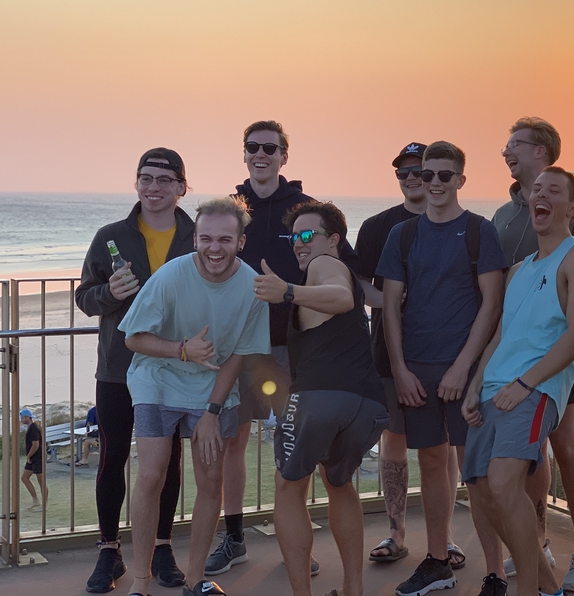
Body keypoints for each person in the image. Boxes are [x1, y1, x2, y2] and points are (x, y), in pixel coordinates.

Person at [213, 120, 359, 577]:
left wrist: (397, 302)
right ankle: (233, 537)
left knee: (300, 446)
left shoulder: (304, 211)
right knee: (231, 442)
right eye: (253, 147)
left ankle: (297, 546)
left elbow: (347, 270)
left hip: (294, 349)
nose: (261, 154)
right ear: (244, 153)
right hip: (237, 346)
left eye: (270, 148)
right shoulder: (230, 210)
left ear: (284, 155)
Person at [119, 196, 270, 596]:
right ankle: (140, 582)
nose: (213, 248)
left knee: (211, 478)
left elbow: (238, 353)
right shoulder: (170, 277)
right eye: (205, 238)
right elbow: (134, 338)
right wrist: (181, 349)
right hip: (158, 379)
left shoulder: (251, 286)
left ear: (240, 241)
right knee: (151, 474)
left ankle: (197, 578)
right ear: (195, 239)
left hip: (212, 388)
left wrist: (211, 411)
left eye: (224, 239)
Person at [377, 141, 508, 596]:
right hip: (416, 369)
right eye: (425, 174)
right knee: (431, 463)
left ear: (460, 180)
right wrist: (399, 369)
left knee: (478, 474)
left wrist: (463, 369)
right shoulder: (403, 236)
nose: (431, 182)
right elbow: (389, 307)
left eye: (443, 175)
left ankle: (496, 572)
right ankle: (437, 562)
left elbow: (492, 306)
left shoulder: (479, 231)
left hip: (466, 374)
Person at [463, 168, 574, 596]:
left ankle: (528, 589)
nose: (541, 196)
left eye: (554, 191)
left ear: (573, 208)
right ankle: (548, 588)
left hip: (534, 390)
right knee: (484, 492)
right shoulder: (520, 268)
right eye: (537, 190)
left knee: (505, 483)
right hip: (493, 390)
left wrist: (525, 384)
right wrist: (475, 385)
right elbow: (502, 335)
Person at [492, 118, 574, 592]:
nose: (505, 151)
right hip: (513, 363)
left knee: (565, 444)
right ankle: (537, 541)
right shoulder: (504, 215)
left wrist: (569, 338)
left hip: (559, 358)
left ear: (540, 151)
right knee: (529, 453)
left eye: (514, 144)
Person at [255, 200, 390, 596]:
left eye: (307, 235)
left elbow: (343, 298)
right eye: (294, 236)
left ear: (333, 240)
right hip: (367, 405)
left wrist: (287, 291)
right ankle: (353, 590)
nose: (299, 243)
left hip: (318, 400)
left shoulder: (324, 264)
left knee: (288, 487)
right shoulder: (323, 271)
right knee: (339, 481)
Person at [76, 147, 195, 593]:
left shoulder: (197, 234)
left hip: (176, 366)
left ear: (182, 186)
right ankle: (109, 551)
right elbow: (85, 299)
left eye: (165, 179)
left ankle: (161, 546)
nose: (154, 187)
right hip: (119, 368)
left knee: (168, 463)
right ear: (136, 183)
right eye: (146, 178)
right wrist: (109, 291)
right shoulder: (111, 235)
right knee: (112, 459)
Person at [354, 142, 465, 569]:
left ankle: (447, 537)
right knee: (394, 440)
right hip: (389, 352)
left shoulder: (460, 227)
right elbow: (362, 286)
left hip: (447, 357)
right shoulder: (379, 226)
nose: (415, 178)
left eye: (424, 171)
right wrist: (395, 300)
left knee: (446, 448)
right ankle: (396, 532)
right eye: (405, 172)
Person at [20, 408, 48, 511]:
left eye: (23, 418)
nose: (21, 420)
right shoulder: (32, 427)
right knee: (24, 478)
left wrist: (28, 456)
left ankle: (44, 505)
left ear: (28, 417)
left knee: (41, 482)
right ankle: (35, 500)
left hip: (38, 458)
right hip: (32, 458)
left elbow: (35, 445)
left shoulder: (33, 428)